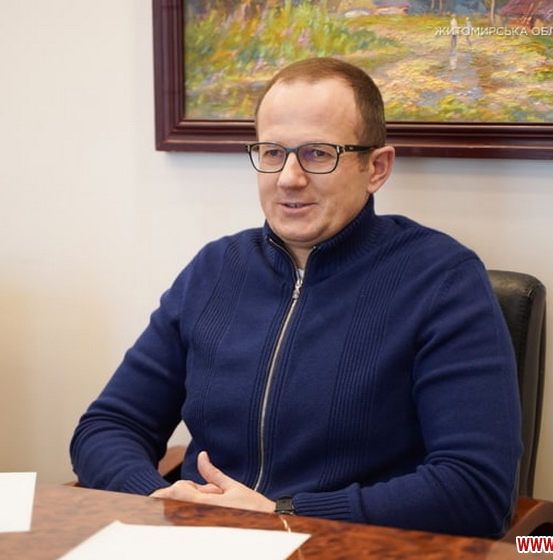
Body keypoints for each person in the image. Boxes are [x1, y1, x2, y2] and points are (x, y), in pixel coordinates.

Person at [70, 57, 522, 538]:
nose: (288, 177)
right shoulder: (215, 269)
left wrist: (283, 513)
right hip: (201, 541)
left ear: (376, 168)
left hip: (347, 546)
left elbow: (475, 489)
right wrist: (156, 498)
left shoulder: (442, 280)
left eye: (317, 154)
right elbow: (108, 426)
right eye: (272, 153)